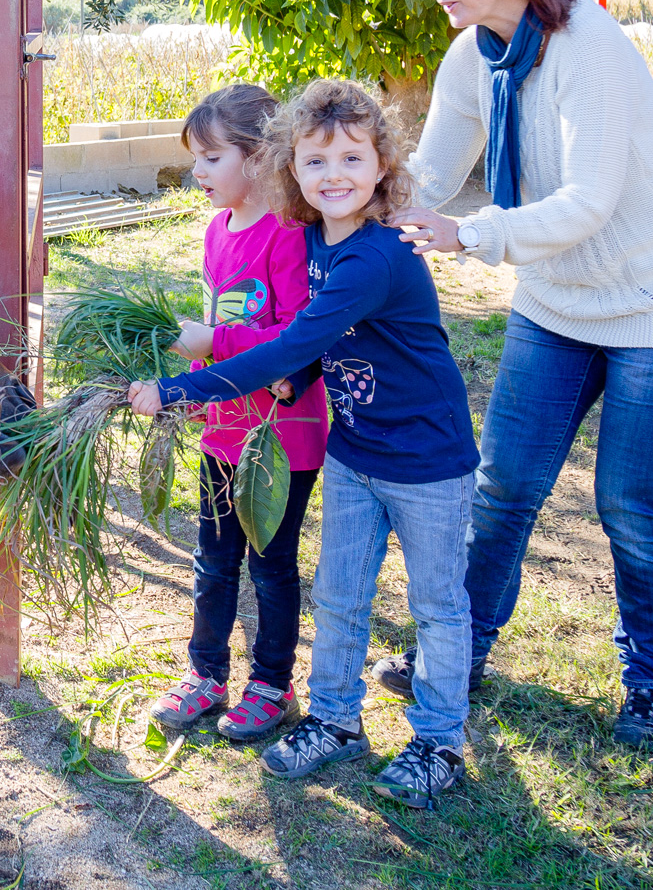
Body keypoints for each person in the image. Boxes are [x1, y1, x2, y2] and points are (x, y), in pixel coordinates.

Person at [382, 0, 653, 749]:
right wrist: (340, 209)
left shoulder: (591, 45)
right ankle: (457, 651)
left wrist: (470, 234)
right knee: (502, 485)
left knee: (630, 501)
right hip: (556, 302)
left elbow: (587, 201)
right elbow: (427, 178)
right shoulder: (471, 56)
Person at [129, 80, 478, 810]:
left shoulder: (371, 258)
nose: (334, 176)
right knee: (339, 592)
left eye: (353, 157)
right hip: (355, 449)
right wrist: (301, 372)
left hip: (426, 460)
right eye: (316, 162)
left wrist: (178, 388)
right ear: (290, 167)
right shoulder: (317, 237)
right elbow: (317, 344)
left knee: (439, 605)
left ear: (382, 164)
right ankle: (333, 718)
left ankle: (439, 738)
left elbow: (292, 343)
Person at [146, 85, 328, 743]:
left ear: (257, 158)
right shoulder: (217, 230)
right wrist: (193, 388)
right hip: (225, 427)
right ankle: (205, 674)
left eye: (211, 156)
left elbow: (293, 337)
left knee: (271, 562)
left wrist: (211, 346)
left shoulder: (287, 234)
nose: (198, 170)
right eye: (195, 157)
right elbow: (219, 318)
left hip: (283, 435)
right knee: (213, 557)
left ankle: (271, 686)